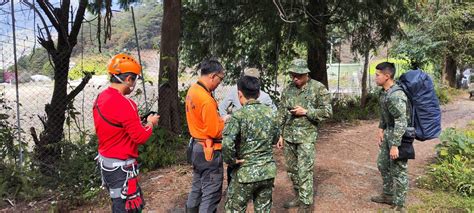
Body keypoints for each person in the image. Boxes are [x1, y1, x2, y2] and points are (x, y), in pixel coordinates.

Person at [93, 53, 160, 213]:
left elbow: (115, 128)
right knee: (128, 207)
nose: (134, 84)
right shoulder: (125, 103)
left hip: (107, 163)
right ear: (129, 79)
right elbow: (140, 137)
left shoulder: (100, 98)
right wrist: (150, 123)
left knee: (119, 202)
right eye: (135, 80)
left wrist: (138, 124)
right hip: (122, 167)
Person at [276, 59, 332, 213]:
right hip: (289, 136)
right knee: (292, 170)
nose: (295, 78)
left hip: (306, 137)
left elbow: (327, 112)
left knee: (304, 171)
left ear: (306, 74)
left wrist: (306, 112)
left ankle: (306, 205)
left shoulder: (318, 88)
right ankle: (299, 197)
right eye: (293, 75)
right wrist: (279, 134)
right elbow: (281, 113)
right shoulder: (288, 89)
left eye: (298, 75)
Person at [222, 76, 279, 212]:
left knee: (235, 209)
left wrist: (232, 161)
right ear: (258, 93)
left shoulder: (238, 116)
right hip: (267, 173)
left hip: (245, 173)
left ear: (239, 94)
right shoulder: (271, 113)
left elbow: (227, 142)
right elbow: (275, 138)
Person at [218, 67, 276, 186]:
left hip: (255, 138)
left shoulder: (264, 97)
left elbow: (274, 115)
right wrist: (226, 118)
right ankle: (233, 187)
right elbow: (222, 107)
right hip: (238, 136)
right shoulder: (235, 92)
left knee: (255, 163)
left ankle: (252, 187)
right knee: (235, 166)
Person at [185, 59, 227, 213]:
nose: (219, 83)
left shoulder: (193, 91)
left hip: (196, 146)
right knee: (211, 192)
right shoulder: (206, 100)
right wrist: (224, 121)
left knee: (197, 186)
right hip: (209, 150)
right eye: (220, 79)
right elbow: (214, 131)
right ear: (212, 76)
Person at [371, 62, 410, 213]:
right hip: (388, 132)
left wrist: (395, 145)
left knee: (399, 169)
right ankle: (388, 195)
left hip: (399, 134)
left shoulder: (396, 95)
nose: (375, 77)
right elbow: (384, 113)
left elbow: (402, 121)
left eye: (377, 75)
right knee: (383, 164)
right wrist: (381, 128)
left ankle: (400, 205)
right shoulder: (384, 92)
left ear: (387, 76)